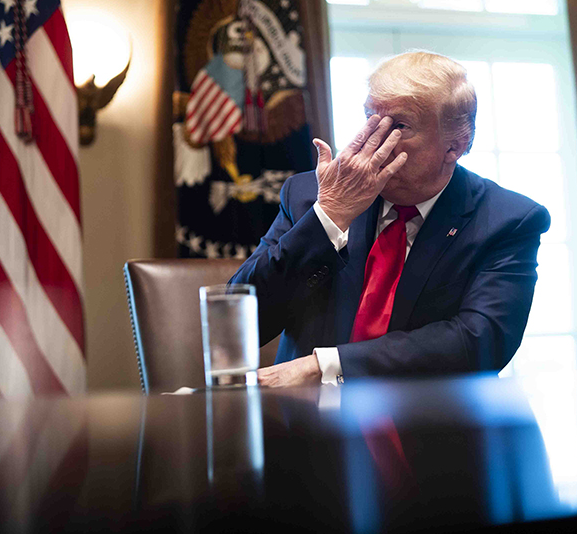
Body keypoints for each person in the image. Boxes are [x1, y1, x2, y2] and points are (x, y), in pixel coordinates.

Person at [230, 51, 551, 386]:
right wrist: (329, 216)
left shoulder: (508, 220)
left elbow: (481, 341)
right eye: (370, 119)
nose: (374, 139)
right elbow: (240, 325)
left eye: (399, 126)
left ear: (455, 145)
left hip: (430, 423)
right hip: (305, 423)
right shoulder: (310, 194)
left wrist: (327, 364)